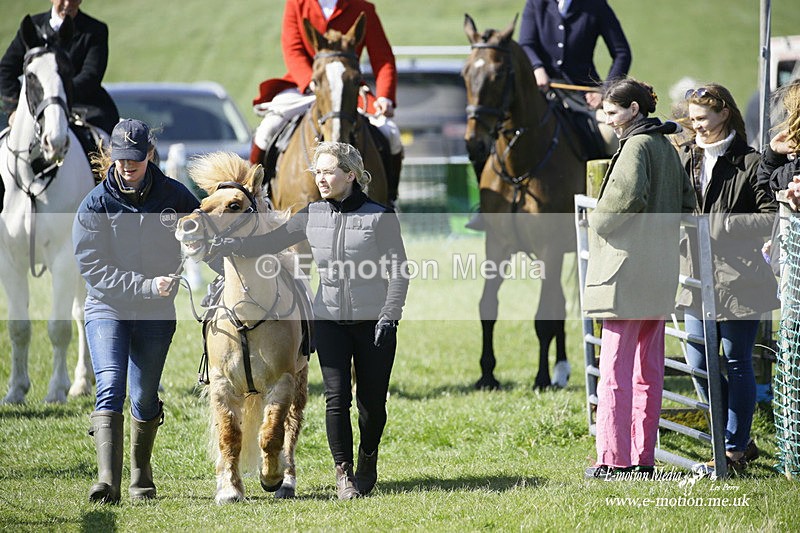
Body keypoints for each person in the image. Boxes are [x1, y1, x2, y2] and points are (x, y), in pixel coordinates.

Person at [211, 141, 409, 499]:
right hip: (329, 321)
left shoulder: (380, 216)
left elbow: (399, 272)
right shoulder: (311, 214)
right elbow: (268, 242)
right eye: (316, 172)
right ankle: (344, 475)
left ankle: (368, 456)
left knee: (371, 405)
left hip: (373, 322)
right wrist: (232, 244)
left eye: (328, 171)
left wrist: (389, 316)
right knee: (336, 400)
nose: (320, 178)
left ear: (350, 175)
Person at [72, 119, 200, 503]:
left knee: (144, 397)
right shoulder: (95, 203)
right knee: (110, 385)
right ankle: (107, 482)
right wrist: (145, 286)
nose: (128, 167)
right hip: (107, 307)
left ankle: (141, 480)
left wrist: (199, 239)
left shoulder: (175, 195)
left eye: (135, 160)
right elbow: (93, 269)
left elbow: (204, 229)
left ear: (149, 155)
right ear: (112, 156)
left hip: (156, 315)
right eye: (121, 159)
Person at [582, 78, 696, 480]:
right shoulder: (666, 147)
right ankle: (642, 459)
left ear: (633, 110)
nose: (608, 120)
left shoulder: (636, 146)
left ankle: (612, 461)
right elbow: (687, 205)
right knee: (649, 373)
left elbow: (623, 202)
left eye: (612, 112)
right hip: (659, 273)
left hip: (625, 275)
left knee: (614, 372)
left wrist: (592, 220)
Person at [678, 84, 778, 473]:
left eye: (702, 118)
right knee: (700, 363)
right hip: (695, 276)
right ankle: (736, 440)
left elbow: (771, 217)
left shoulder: (751, 162)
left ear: (724, 114)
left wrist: (717, 226)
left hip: (740, 280)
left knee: (737, 364)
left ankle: (732, 451)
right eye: (692, 119)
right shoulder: (687, 157)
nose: (696, 126)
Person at [250, 0, 402, 204]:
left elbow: (383, 58)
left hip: (346, 89)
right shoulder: (297, 4)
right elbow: (292, 49)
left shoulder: (363, 8)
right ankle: (255, 195)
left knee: (390, 133)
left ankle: (390, 198)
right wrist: (310, 81)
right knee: (267, 129)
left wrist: (384, 95)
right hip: (306, 85)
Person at [0, 0, 119, 135]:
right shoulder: (31, 27)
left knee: (104, 143)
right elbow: (5, 70)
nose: (67, 4)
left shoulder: (96, 30)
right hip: (36, 107)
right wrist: (14, 109)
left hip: (82, 107)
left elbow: (91, 75)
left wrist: (57, 96)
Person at [518, 0, 632, 109]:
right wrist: (537, 67)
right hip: (540, 91)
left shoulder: (596, 4)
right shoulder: (535, 2)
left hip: (585, 95)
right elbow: (526, 44)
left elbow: (622, 53)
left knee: (606, 129)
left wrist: (605, 92)